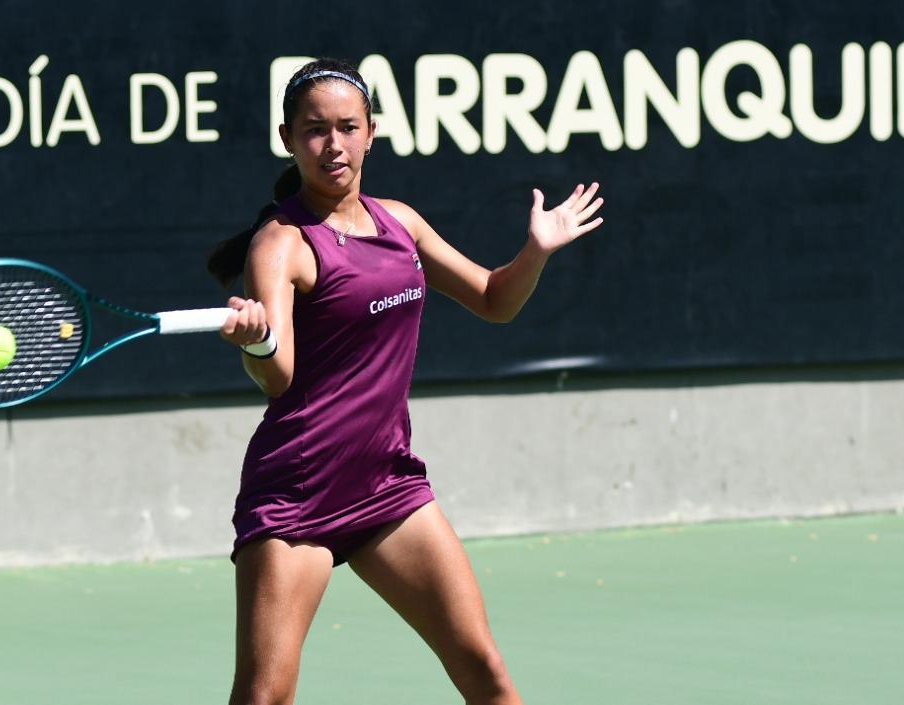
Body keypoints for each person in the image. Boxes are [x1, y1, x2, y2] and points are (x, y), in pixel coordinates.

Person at [206, 58, 605, 705]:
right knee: (264, 695)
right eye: (313, 130)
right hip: (296, 495)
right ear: (287, 137)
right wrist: (258, 341)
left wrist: (535, 250)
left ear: (370, 132)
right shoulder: (279, 244)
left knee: (483, 666)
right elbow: (277, 380)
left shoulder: (401, 224)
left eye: (346, 127)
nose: (332, 145)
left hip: (387, 485)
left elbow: (493, 298)